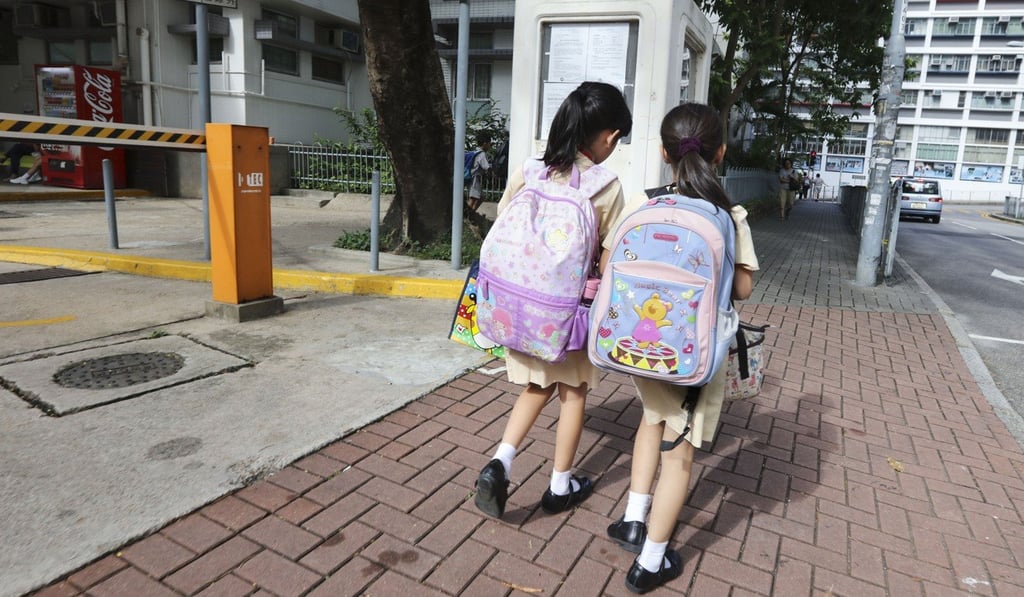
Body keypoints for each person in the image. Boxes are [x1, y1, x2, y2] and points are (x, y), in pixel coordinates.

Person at [604, 103, 759, 594]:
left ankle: (632, 518)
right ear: (721, 152)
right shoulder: (729, 215)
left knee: (651, 421)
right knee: (681, 453)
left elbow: (611, 260)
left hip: (640, 350)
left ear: (663, 152)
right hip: (693, 357)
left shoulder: (643, 205)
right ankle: (650, 561)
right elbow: (743, 290)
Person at [474, 81, 632, 519]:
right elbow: (609, 255)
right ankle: (560, 486)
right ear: (610, 136)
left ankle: (500, 462)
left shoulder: (530, 170)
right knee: (573, 392)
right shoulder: (606, 186)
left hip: (521, 311)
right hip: (568, 317)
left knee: (535, 384)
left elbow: (504, 221)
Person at [466, 131, 492, 213]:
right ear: (484, 143)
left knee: (481, 197)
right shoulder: (482, 154)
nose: (489, 146)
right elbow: (486, 167)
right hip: (475, 178)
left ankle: (471, 213)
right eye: (489, 144)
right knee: (473, 197)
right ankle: (467, 214)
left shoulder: (475, 152)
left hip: (473, 177)